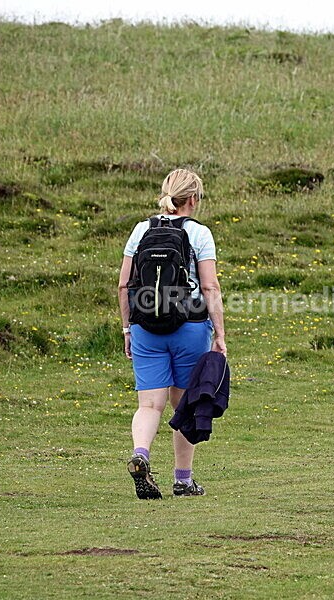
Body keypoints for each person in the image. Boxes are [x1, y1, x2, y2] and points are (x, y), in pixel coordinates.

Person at [117, 168, 226, 499]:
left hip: (145, 326)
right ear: (193, 199)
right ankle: (183, 480)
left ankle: (141, 454)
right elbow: (209, 285)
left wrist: (127, 328)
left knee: (150, 404)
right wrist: (220, 333)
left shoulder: (140, 230)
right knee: (186, 405)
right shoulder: (200, 234)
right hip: (190, 328)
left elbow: (124, 283)